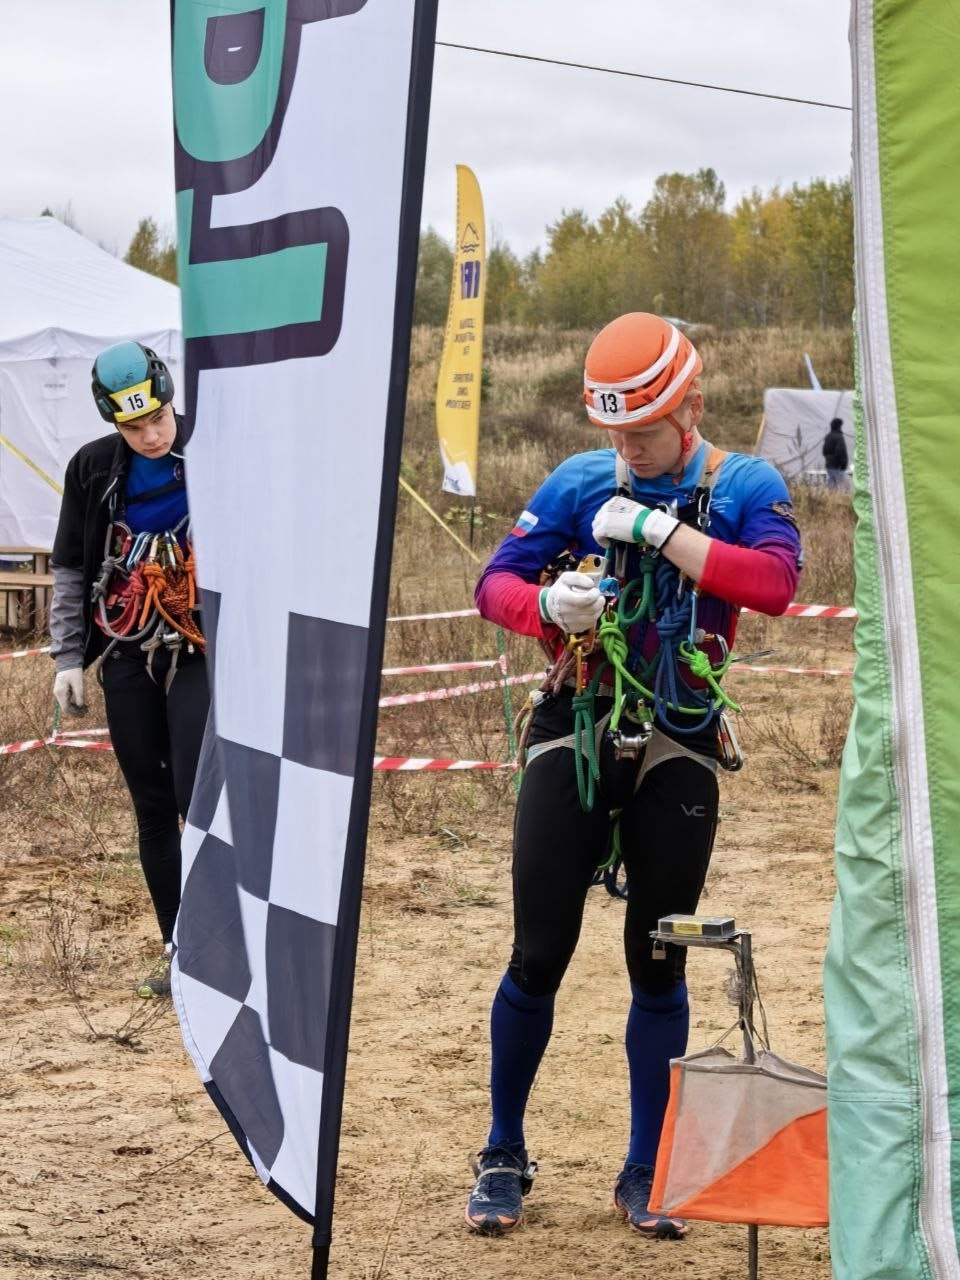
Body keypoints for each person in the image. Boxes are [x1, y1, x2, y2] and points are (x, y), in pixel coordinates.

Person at [466, 313, 803, 1239]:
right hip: (576, 723)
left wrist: (661, 532)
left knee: (657, 961)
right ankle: (502, 1150)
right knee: (538, 950)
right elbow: (493, 583)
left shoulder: (746, 485)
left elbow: (774, 584)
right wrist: (547, 603)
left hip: (680, 737)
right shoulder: (580, 480)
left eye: (645, 433)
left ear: (692, 408)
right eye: (615, 434)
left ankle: (647, 1165)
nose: (629, 451)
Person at [49, 341, 208, 997]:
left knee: (196, 798)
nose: (151, 436)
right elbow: (70, 566)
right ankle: (180, 950)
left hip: (199, 649)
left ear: (170, 400)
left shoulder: (212, 447)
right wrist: (67, 657)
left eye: (158, 420)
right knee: (152, 806)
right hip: (124, 649)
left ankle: (225, 941)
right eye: (134, 426)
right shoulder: (93, 469)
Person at [822, 417, 849, 489]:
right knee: (844, 487)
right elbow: (841, 452)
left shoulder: (828, 437)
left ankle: (830, 496)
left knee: (832, 487)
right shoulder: (839, 437)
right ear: (839, 426)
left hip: (829, 465)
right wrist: (843, 464)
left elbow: (824, 452)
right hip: (837, 466)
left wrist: (829, 459)